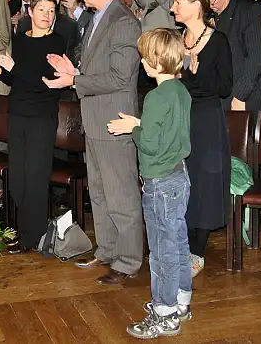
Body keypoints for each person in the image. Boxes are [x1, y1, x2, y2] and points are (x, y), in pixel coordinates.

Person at [44, 0, 143, 285]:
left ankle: (128, 260)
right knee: (99, 193)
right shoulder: (97, 17)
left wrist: (75, 80)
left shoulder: (123, 22)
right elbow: (95, 67)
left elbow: (119, 76)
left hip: (114, 120)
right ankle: (108, 249)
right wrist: (73, 70)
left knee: (121, 195)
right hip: (96, 117)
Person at [108, 28, 192, 339]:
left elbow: (150, 145)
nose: (142, 61)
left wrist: (134, 129)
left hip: (159, 182)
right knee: (178, 243)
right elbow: (170, 132)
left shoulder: (156, 97)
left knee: (160, 251)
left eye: (145, 57)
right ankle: (181, 301)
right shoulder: (180, 91)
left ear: (157, 61)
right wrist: (140, 124)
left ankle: (164, 313)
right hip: (179, 176)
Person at [0, 0, 66, 253]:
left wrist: (13, 69)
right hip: (18, 114)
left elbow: (45, 81)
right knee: (17, 179)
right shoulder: (19, 40)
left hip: (41, 117)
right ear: (30, 11)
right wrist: (0, 72)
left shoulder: (56, 42)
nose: (47, 15)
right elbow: (17, 80)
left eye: (51, 11)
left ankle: (32, 237)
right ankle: (25, 231)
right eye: (42, 10)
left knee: (36, 178)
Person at [169, 0, 233, 277]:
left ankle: (197, 251)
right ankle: (180, 244)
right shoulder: (176, 39)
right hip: (180, 116)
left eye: (178, 2)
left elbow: (224, 87)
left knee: (203, 182)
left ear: (196, 5)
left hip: (205, 120)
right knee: (181, 180)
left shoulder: (218, 41)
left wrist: (196, 74)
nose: (173, 8)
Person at [199, 0, 261, 112]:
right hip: (219, 92)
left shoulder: (248, 10)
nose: (208, 5)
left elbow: (256, 58)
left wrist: (240, 95)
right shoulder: (211, 13)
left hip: (244, 94)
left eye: (211, 0)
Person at [15, 0, 79, 61]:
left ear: (57, 0)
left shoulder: (69, 27)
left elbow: (73, 57)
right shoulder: (24, 24)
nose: (46, 15)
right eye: (41, 9)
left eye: (51, 10)